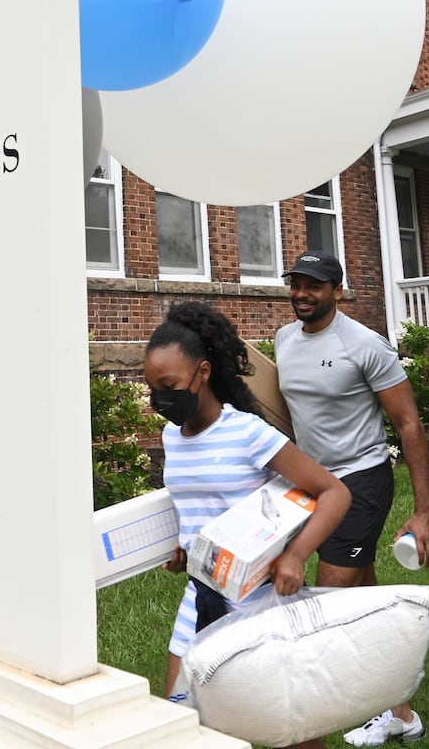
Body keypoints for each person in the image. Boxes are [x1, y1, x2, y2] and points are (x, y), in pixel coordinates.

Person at [146, 301, 351, 749]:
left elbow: (334, 492)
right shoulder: (171, 438)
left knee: (290, 733)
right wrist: (186, 549)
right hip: (200, 598)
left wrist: (296, 556)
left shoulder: (247, 433)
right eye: (152, 388)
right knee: (182, 722)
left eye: (169, 385)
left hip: (257, 605)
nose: (160, 398)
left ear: (202, 372)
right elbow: (200, 505)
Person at [273, 249, 429, 746]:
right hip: (313, 486)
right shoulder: (283, 339)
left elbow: (409, 424)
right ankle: (402, 716)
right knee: (365, 601)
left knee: (324, 611)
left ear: (337, 291)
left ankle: (307, 724)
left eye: (314, 285)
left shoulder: (364, 345)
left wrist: (423, 510)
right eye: (296, 283)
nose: (302, 293)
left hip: (360, 481)